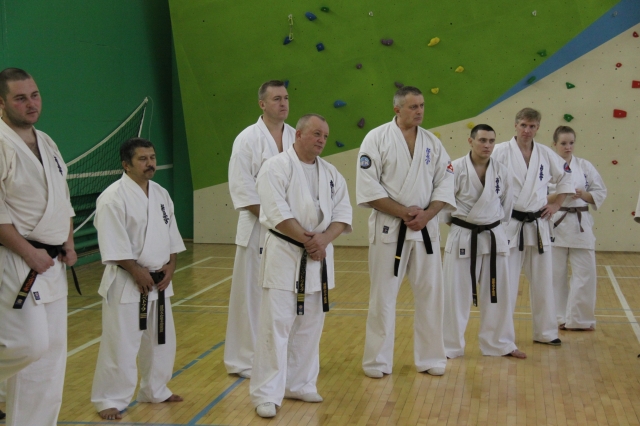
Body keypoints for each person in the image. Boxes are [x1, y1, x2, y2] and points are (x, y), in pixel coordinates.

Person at [250, 114, 352, 418]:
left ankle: (300, 383)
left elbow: (343, 214)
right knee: (276, 326)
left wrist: (323, 240)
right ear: (299, 134)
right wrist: (310, 241)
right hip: (286, 254)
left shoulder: (331, 173)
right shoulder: (275, 167)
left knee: (309, 326)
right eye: (316, 134)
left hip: (318, 257)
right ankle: (266, 393)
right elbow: (276, 212)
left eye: (325, 136)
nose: (322, 140)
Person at [356, 86, 455, 378]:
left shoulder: (432, 142)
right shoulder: (376, 138)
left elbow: (445, 182)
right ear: (397, 109)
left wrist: (428, 214)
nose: (420, 111)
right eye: (413, 106)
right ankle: (377, 362)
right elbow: (368, 187)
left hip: (425, 229)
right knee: (383, 297)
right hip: (390, 228)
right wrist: (403, 212)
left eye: (422, 105)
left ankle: (431, 357)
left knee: (431, 295)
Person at [0, 68, 76, 426]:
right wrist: (30, 253)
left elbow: (63, 197)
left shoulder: (46, 141)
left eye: (34, 95)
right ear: (1, 103)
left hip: (52, 261)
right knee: (29, 345)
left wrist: (68, 242)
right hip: (17, 259)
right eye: (20, 98)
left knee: (51, 354)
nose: (31, 104)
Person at [91, 138, 185, 420]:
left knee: (161, 340)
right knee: (121, 343)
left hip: (159, 281)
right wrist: (135, 271)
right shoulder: (112, 198)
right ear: (126, 164)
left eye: (152, 157)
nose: (150, 163)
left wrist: (171, 266)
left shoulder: (161, 194)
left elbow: (171, 235)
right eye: (142, 159)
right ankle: (109, 398)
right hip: (127, 282)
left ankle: (155, 389)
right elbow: (113, 242)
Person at [225, 80, 295, 379]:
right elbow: (242, 189)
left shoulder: (295, 136)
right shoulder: (247, 140)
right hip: (258, 228)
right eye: (276, 98)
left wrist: (293, 224)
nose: (283, 103)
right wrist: (277, 220)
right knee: (250, 297)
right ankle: (243, 360)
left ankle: (279, 357)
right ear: (262, 104)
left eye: (286, 98)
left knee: (284, 295)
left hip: (289, 230)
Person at [441, 125, 526, 359]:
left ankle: (499, 343)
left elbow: (506, 207)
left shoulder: (502, 171)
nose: (487, 145)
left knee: (498, 294)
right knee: (455, 295)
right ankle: (449, 346)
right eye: (482, 140)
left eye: (491, 141)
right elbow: (444, 207)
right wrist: (465, 225)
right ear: (471, 141)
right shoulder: (455, 168)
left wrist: (488, 222)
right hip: (463, 234)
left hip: (493, 234)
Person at [492, 108, 574, 346]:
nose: (527, 130)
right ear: (515, 125)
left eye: (532, 126)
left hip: (538, 224)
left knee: (543, 281)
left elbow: (567, 177)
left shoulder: (545, 153)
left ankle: (546, 332)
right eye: (523, 125)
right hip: (510, 225)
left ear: (538, 128)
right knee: (506, 283)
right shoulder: (500, 151)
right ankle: (502, 336)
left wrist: (557, 204)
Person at [549, 126, 606, 331]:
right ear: (554, 144)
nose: (568, 147)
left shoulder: (584, 166)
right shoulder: (547, 166)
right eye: (563, 143)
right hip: (555, 222)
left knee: (585, 273)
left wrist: (582, 194)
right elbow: (538, 196)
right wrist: (562, 194)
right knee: (555, 275)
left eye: (571, 143)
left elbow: (599, 192)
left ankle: (580, 319)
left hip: (581, 224)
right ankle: (559, 318)